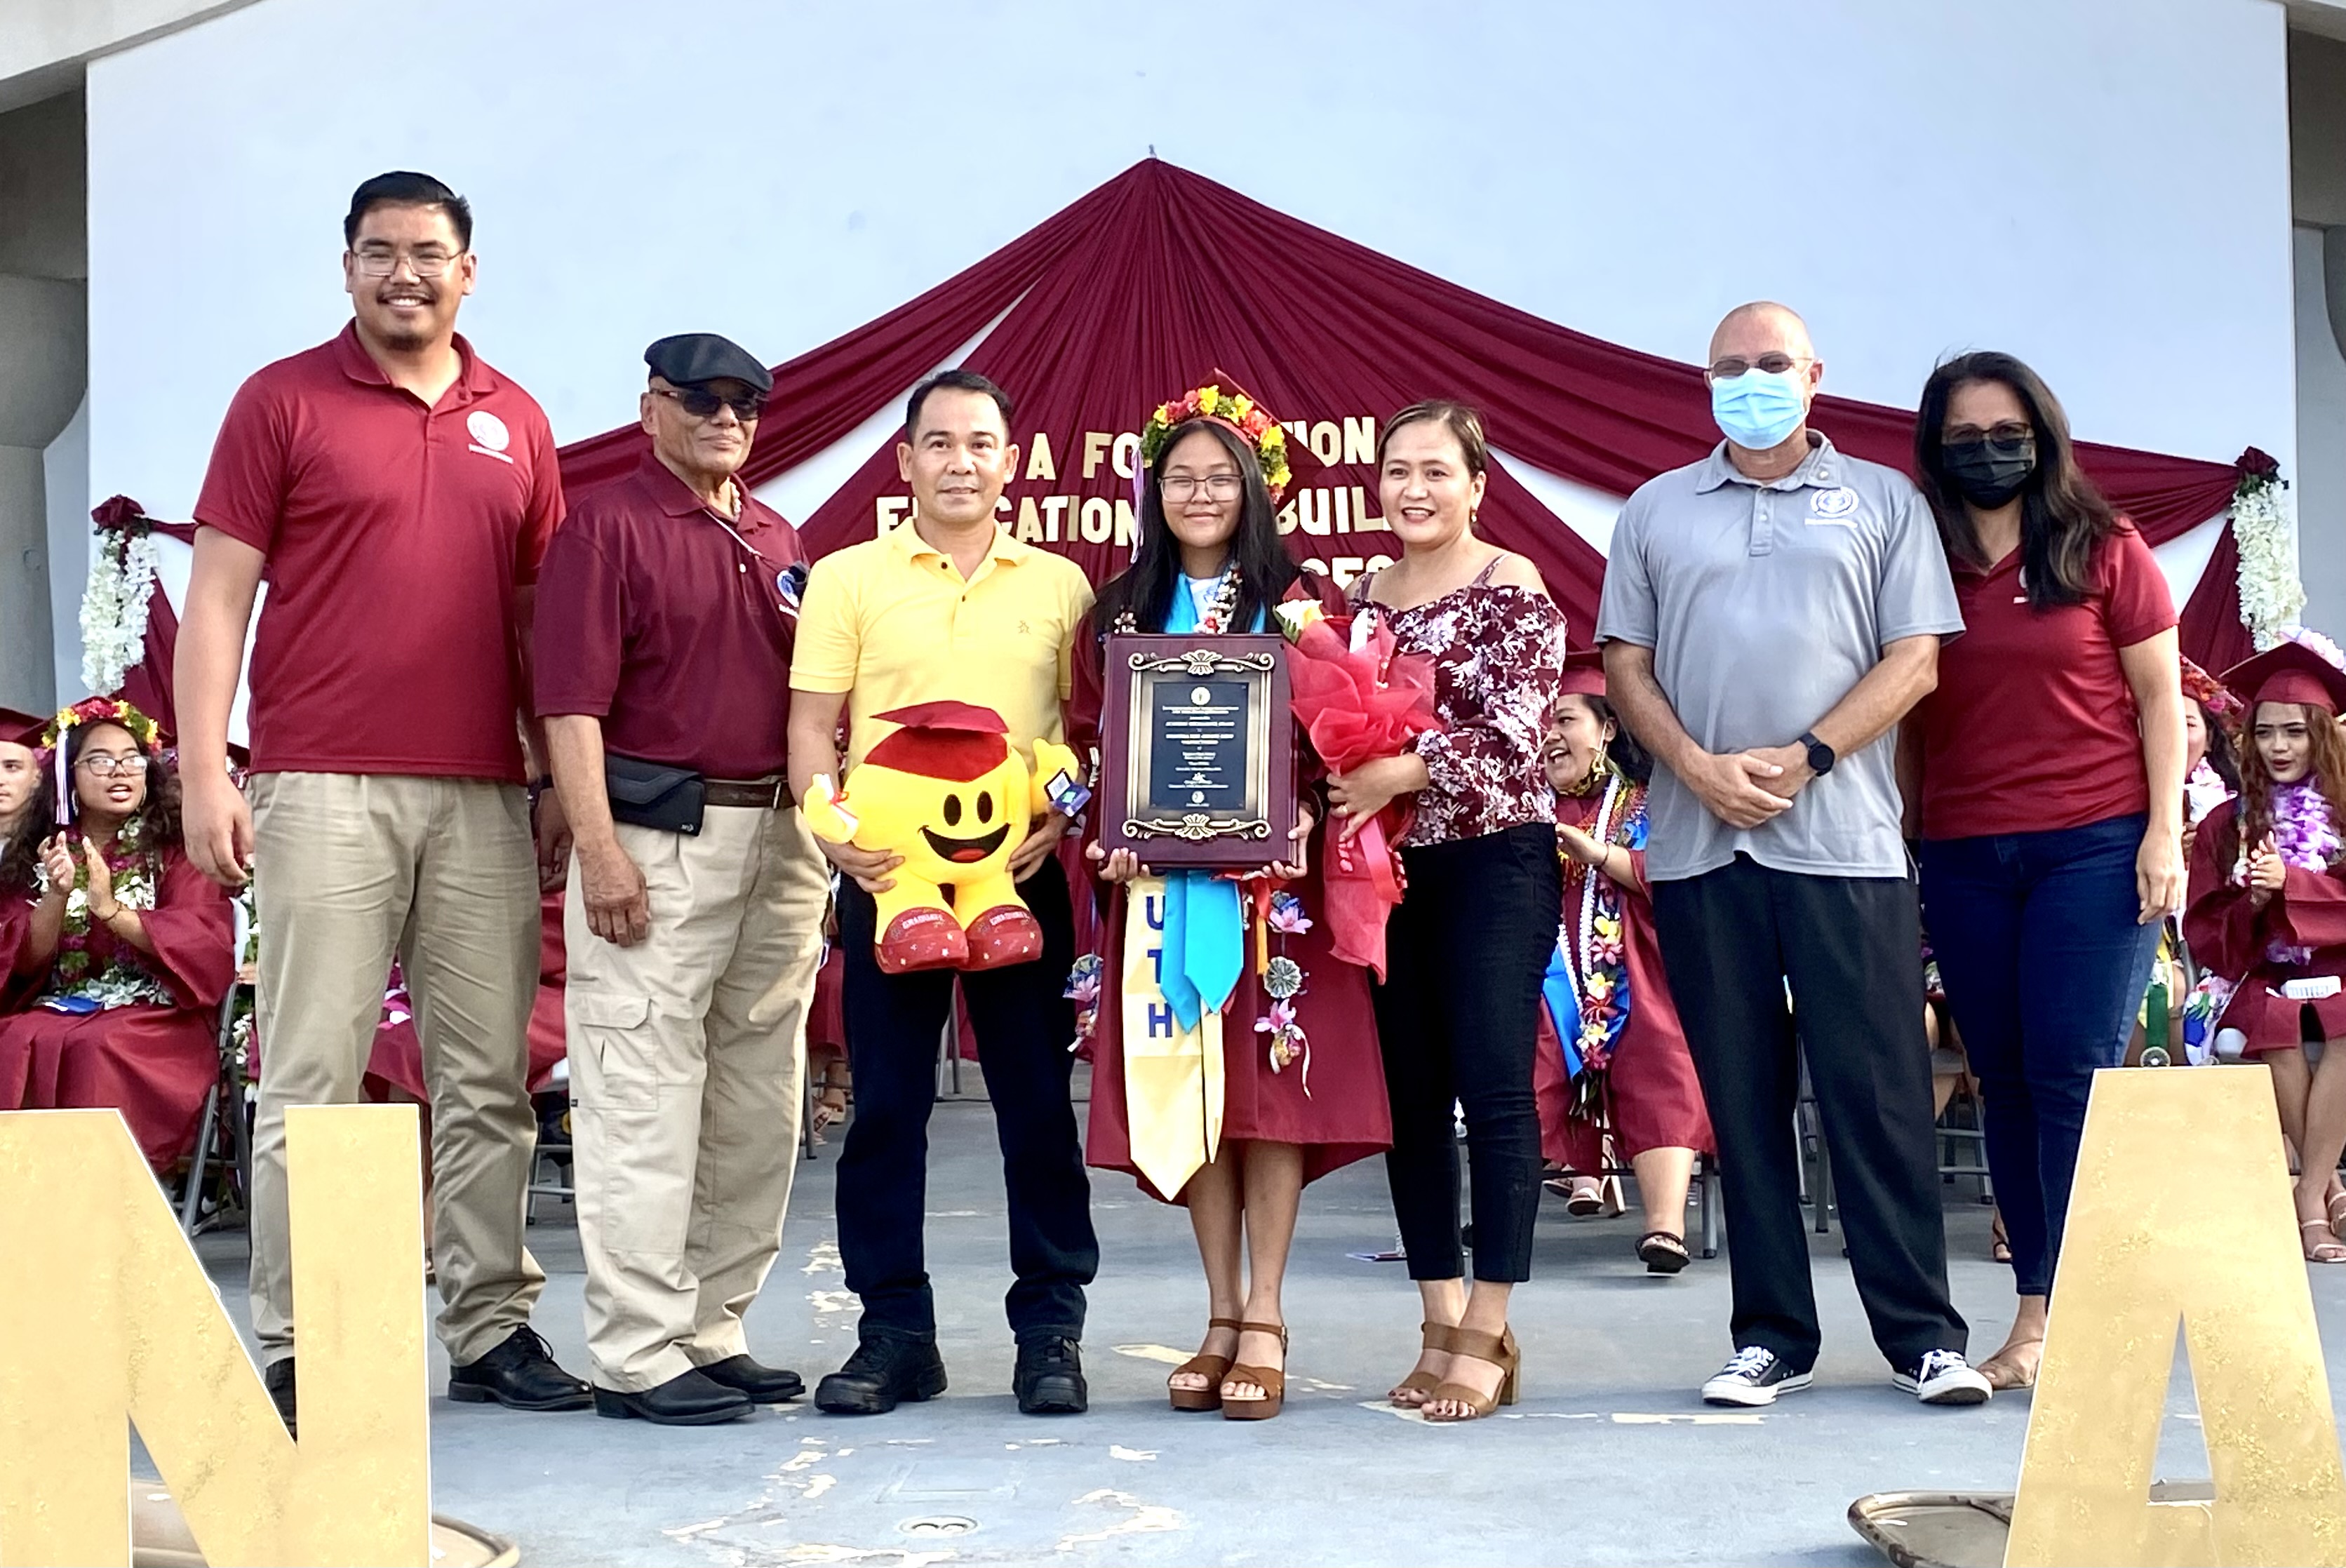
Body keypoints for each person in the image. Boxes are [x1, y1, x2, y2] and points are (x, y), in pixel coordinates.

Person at [175, 170, 586, 1433]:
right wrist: (205, 769)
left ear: (470, 270)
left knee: (486, 1083)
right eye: (377, 253)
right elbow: (219, 598)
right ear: (345, 266)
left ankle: (491, 1327)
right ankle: (303, 1344)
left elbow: (540, 622)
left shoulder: (512, 418)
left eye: (426, 253)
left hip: (480, 796)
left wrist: (557, 778)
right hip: (321, 785)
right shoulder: (280, 400)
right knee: (310, 1074)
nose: (402, 273)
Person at [1599, 301, 1990, 1407]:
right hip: (1699, 845)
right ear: (1705, 380)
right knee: (1743, 1090)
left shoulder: (1882, 500)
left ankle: (1923, 1333)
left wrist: (1810, 754)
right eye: (1732, 366)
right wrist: (1697, 765)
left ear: (1814, 373)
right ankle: (1771, 1331)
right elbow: (1626, 665)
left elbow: (1916, 660)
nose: (1752, 379)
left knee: (1878, 1092)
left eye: (1772, 363)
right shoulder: (1657, 509)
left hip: (1848, 844)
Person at [1071, 382, 1390, 1421]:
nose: (1200, 493)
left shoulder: (1300, 607)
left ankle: (1266, 1311)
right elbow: (1085, 749)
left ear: (1256, 488)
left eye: (1221, 477)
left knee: (1269, 1091)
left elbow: (1334, 740)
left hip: (1271, 894)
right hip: (1158, 889)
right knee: (1190, 1089)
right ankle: (1215, 1311)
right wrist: (1102, 831)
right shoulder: (1116, 611)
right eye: (1180, 477)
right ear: (1151, 490)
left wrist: (1302, 810)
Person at [786, 370, 1099, 1416]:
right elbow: (810, 728)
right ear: (906, 460)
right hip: (893, 879)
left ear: (1010, 463)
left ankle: (1051, 1326)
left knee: (1035, 1108)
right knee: (886, 1107)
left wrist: (1066, 812)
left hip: (1017, 879)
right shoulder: (847, 577)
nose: (959, 461)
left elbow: (1079, 731)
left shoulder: (1060, 585)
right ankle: (894, 1331)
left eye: (980, 444)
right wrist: (834, 841)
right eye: (939, 443)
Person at [535, 333, 829, 1426]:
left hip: (779, 836)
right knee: (643, 1092)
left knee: (758, 1098)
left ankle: (711, 1325)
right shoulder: (605, 526)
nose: (724, 417)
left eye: (744, 402)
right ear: (650, 405)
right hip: (660, 837)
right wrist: (600, 846)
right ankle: (636, 1347)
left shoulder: (775, 531)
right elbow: (570, 704)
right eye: (699, 399)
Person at [1901, 351, 2185, 1392]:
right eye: (1965, 436)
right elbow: (1912, 714)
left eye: (2005, 430)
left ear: (2042, 434)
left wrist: (2165, 835)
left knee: (2073, 1073)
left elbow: (2161, 700)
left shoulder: (2103, 546)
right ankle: (2036, 1310)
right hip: (1968, 852)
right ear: (1936, 448)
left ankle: (2078, 1312)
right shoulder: (1921, 560)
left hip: (2096, 843)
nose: (1988, 450)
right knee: (2004, 1080)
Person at [1340, 400, 1565, 1424]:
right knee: (1410, 1100)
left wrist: (1399, 768)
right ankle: (1438, 1317)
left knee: (1493, 1088)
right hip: (1387, 872)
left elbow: (1518, 730)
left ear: (1477, 483)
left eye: (1437, 470)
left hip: (1492, 862)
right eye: (1397, 471)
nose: (1414, 489)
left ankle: (1490, 1319)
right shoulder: (1359, 596)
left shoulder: (1510, 583)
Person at [1531, 653, 1715, 1274]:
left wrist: (1598, 853)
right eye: (1541, 723)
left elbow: (1674, 877)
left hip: (1639, 971)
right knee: (1525, 1045)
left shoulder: (1646, 804)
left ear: (1607, 729)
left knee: (1662, 1050)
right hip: (1544, 979)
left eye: (1565, 719)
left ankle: (1665, 1229)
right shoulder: (1524, 809)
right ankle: (1512, 1206)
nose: (1549, 735)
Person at [0, 699, 234, 1169]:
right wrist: (57, 895)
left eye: (132, 758)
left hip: (158, 1017)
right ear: (68, 774)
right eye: (101, 760)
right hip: (61, 1004)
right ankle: (27, 1200)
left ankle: (105, 1196)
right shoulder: (40, 852)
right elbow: (20, 961)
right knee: (13, 1037)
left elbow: (203, 943)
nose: (119, 771)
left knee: (97, 1046)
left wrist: (112, 911)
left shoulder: (177, 849)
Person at [2185, 635, 2346, 1262]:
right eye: (2266, 732)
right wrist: (2252, 903)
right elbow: (2208, 931)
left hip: (2338, 968)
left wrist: (2294, 884)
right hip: (2256, 970)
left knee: (2343, 1021)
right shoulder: (2229, 823)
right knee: (2277, 1024)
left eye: (2295, 733)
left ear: (2321, 736)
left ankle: (2306, 1189)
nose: (2279, 747)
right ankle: (2325, 1190)